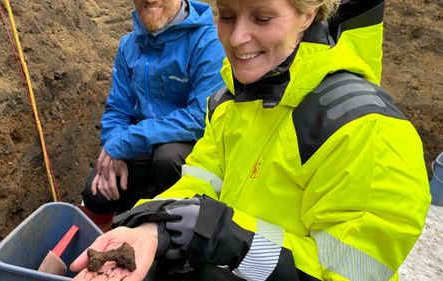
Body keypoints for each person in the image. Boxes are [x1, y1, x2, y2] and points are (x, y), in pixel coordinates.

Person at [71, 0, 431, 280]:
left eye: (261, 18)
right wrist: (153, 226)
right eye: (227, 15)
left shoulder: (364, 128)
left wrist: (224, 235)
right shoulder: (234, 100)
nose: (236, 37)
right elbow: (200, 179)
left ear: (307, 15)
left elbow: (346, 273)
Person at [81, 0, 225, 224]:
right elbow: (118, 109)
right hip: (145, 146)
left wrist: (126, 142)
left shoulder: (208, 43)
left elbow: (201, 117)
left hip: (190, 149)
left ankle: (179, 224)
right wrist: (113, 149)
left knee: (167, 158)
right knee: (96, 196)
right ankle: (144, 208)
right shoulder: (129, 45)